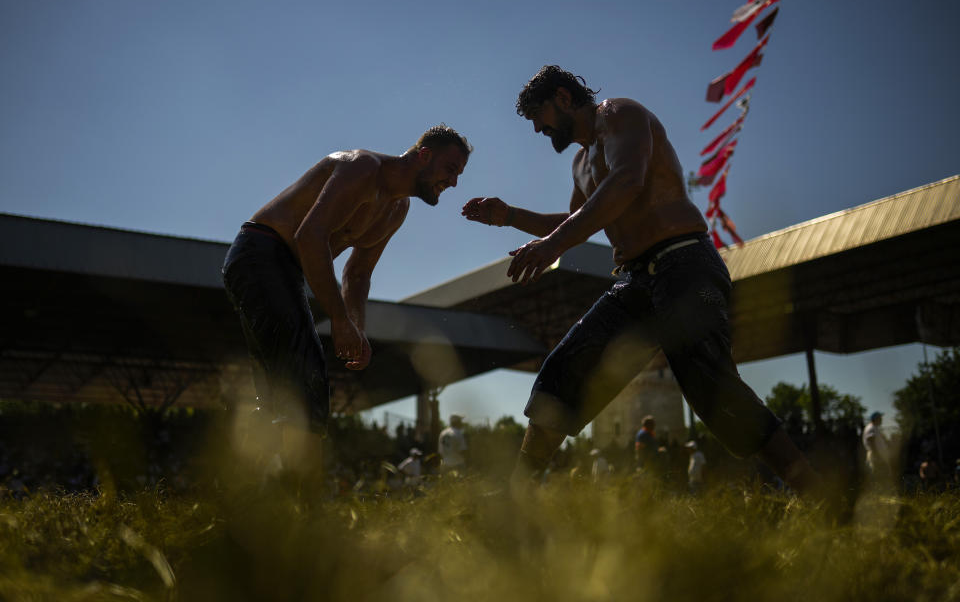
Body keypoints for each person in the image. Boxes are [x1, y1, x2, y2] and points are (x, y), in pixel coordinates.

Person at [462, 65, 820, 497]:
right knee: (567, 365)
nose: (538, 129)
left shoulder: (619, 114)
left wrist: (553, 245)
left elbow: (627, 182)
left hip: (684, 262)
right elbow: (581, 219)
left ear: (562, 97)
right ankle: (516, 495)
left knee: (707, 379)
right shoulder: (579, 162)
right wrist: (510, 217)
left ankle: (814, 490)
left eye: (539, 116)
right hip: (635, 278)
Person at [223, 126, 471, 435]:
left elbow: (358, 274)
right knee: (307, 385)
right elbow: (310, 235)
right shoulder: (363, 167)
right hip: (260, 251)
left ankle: (253, 474)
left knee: (279, 390)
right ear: (424, 155)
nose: (454, 182)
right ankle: (298, 481)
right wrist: (339, 320)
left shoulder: (397, 209)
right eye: (450, 169)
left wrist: (356, 327)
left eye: (459, 174)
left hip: (284, 269)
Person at [862, 411, 892, 483]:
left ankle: (881, 490)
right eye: (880, 418)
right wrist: (877, 455)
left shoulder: (875, 428)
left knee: (881, 473)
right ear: (876, 419)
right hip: (875, 455)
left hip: (878, 455)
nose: (881, 419)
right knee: (878, 474)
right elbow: (871, 441)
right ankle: (877, 490)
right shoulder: (871, 428)